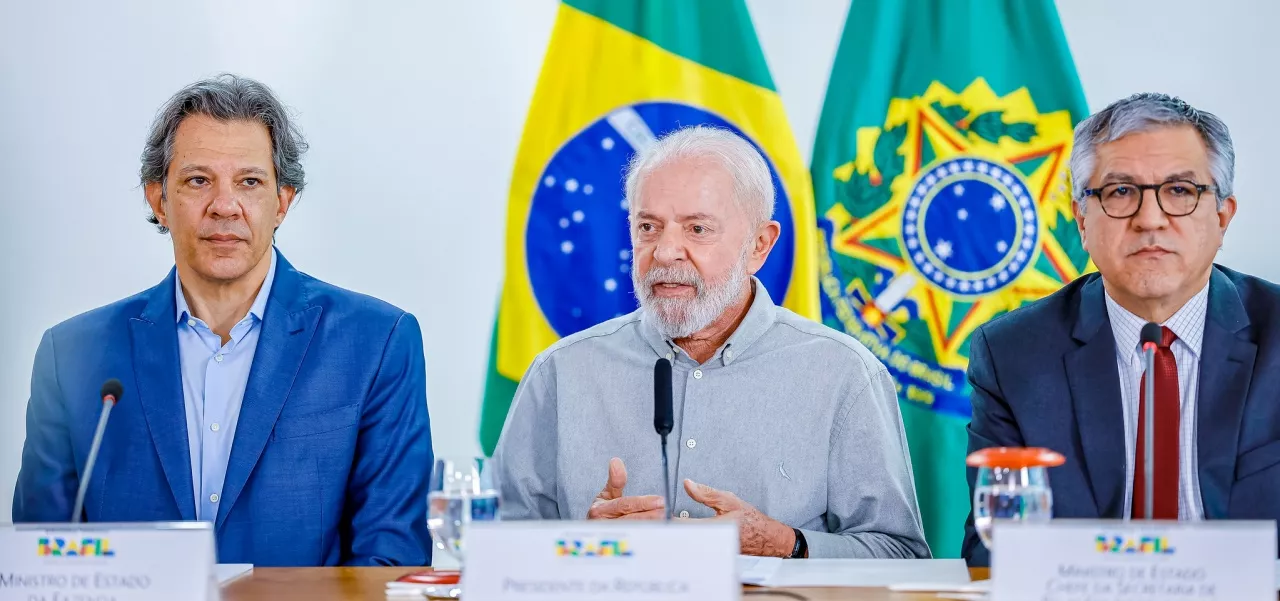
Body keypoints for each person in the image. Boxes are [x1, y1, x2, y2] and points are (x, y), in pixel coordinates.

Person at [12, 75, 433, 567]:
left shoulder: (375, 344)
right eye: (197, 180)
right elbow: (40, 563)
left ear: (282, 201)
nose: (224, 206)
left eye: (249, 182)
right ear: (158, 199)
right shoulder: (73, 356)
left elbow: (391, 561)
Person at [493, 126, 929, 559]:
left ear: (760, 245)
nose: (665, 252)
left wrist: (783, 543)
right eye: (648, 227)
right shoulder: (561, 372)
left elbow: (901, 557)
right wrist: (583, 549)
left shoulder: (844, 374)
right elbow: (495, 553)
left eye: (697, 229)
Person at [963, 93, 1280, 566]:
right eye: (1119, 192)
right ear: (1081, 221)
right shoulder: (1014, 354)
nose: (1149, 219)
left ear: (1222, 216)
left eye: (1179, 191)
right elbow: (992, 552)